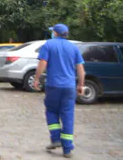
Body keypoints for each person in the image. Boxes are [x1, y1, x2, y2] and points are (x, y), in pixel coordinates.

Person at [33, 24, 85, 159]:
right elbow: (80, 68)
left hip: (53, 85)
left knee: (51, 111)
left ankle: (55, 139)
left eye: (53, 32)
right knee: (68, 116)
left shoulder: (48, 45)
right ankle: (67, 149)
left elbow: (42, 63)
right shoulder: (74, 47)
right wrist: (80, 85)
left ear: (55, 33)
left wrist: (36, 79)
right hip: (69, 87)